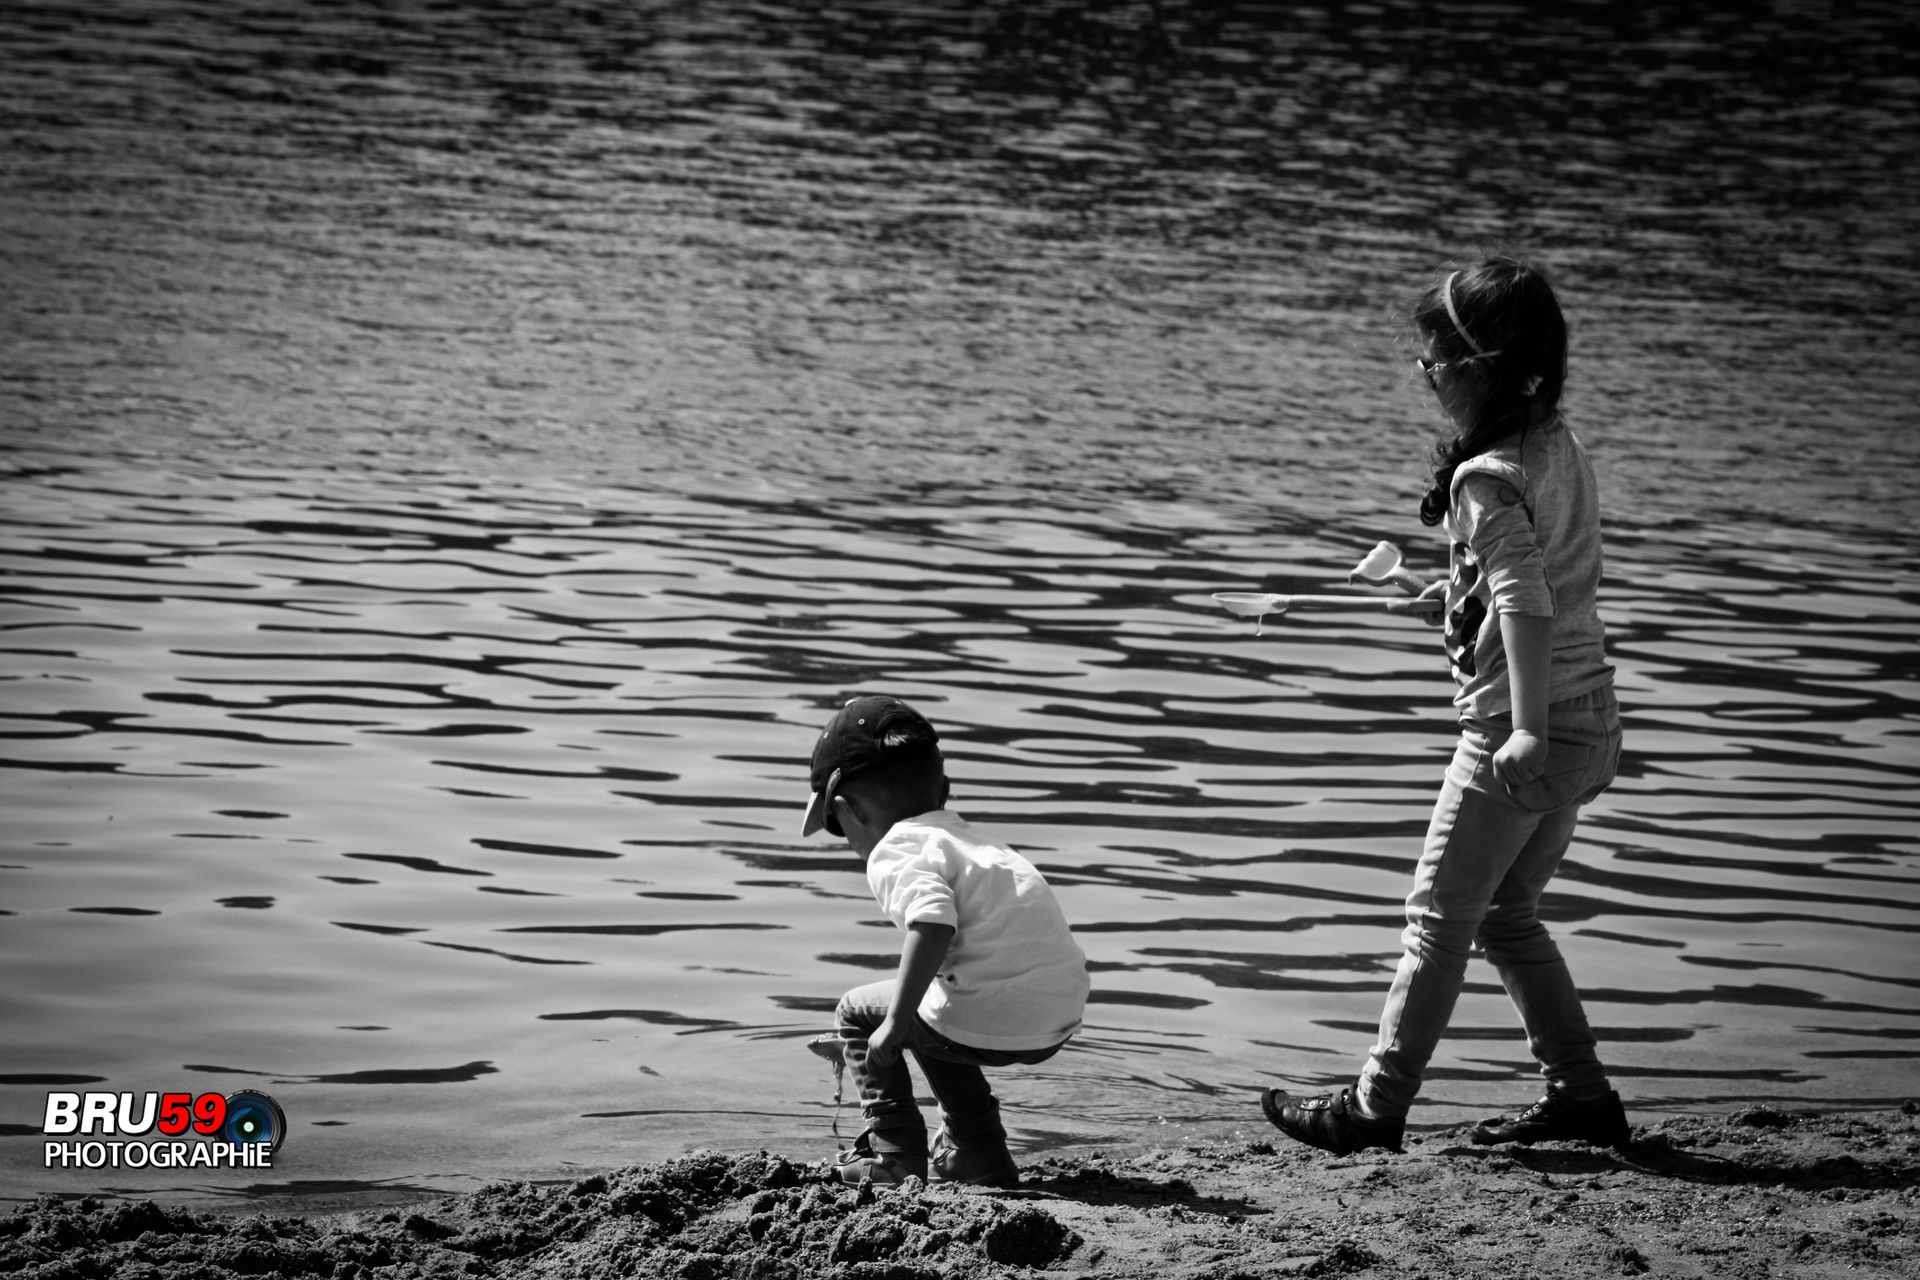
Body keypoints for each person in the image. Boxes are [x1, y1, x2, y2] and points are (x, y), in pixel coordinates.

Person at [1263, 254, 1628, 1155]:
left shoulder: (1485, 476)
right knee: (1505, 915)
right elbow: (1533, 576)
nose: (1425, 381)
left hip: (1520, 730)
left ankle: (1372, 1109)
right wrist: (1452, 593)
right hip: (1594, 714)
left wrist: (1527, 728)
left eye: (1431, 365)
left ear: (1478, 367)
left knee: (1437, 921)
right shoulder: (1557, 441)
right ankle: (1581, 1095)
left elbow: (1527, 600)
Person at [801, 694, 1089, 1186]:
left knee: (858, 1012)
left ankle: (892, 1153)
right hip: (1057, 1016)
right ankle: (977, 1152)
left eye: (837, 828)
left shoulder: (897, 848)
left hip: (986, 1012)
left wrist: (891, 1025)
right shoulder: (979, 846)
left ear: (849, 811)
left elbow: (932, 924)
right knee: (935, 1008)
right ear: (945, 791)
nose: (848, 845)